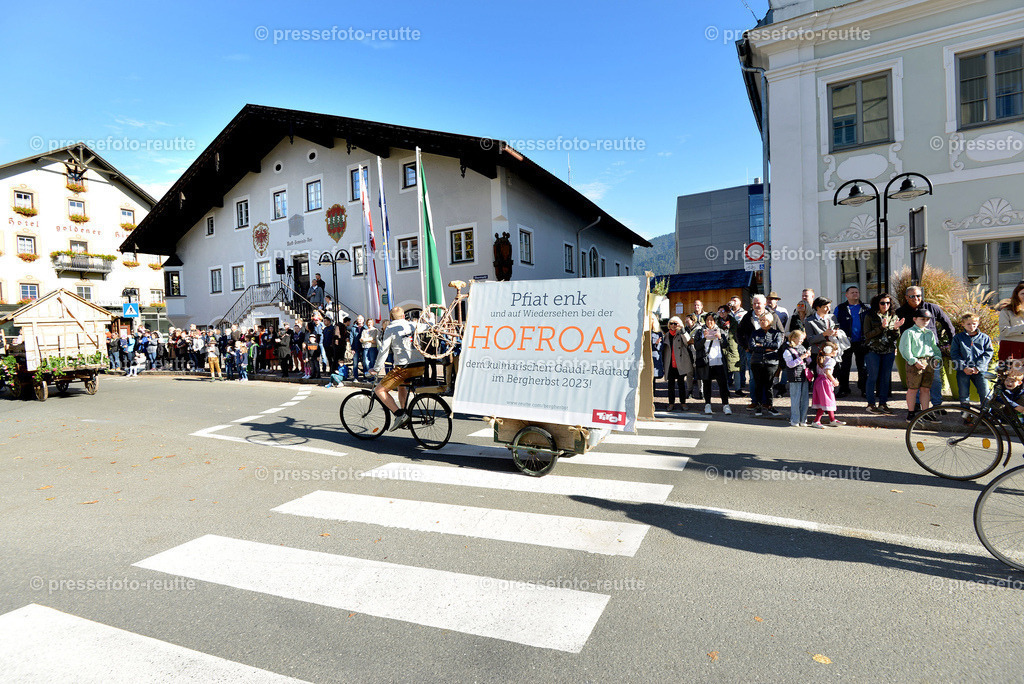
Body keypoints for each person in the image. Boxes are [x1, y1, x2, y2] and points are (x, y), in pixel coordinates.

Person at [369, 306, 428, 430]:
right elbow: (429, 326)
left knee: (379, 391)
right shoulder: (413, 324)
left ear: (391, 318)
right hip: (420, 365)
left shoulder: (390, 328)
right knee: (402, 387)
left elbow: (384, 350)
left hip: (404, 367)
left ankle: (400, 414)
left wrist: (376, 368)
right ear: (403, 316)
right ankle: (405, 412)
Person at [895, 286, 954, 411]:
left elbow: (947, 323)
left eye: (918, 296)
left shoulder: (932, 308)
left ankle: (937, 405)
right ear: (906, 297)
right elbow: (894, 330)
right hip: (913, 353)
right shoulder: (900, 311)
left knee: (936, 380)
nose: (916, 298)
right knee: (915, 383)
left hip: (931, 351)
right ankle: (916, 406)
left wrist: (952, 341)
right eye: (912, 296)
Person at [737, 294, 785, 407]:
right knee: (754, 378)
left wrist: (775, 346)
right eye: (754, 303)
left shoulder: (773, 315)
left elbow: (781, 332)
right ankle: (755, 401)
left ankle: (766, 402)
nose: (756, 306)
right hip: (753, 352)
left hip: (770, 353)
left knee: (768, 378)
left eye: (758, 303)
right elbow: (738, 333)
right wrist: (745, 346)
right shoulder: (747, 316)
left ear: (764, 304)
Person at [899, 309, 942, 423]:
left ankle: (926, 412)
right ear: (915, 319)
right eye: (922, 319)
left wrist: (937, 357)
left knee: (925, 389)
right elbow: (904, 349)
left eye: (927, 319)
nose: (925, 321)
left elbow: (934, 347)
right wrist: (913, 361)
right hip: (915, 362)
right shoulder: (909, 332)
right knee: (913, 389)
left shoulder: (929, 333)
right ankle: (911, 413)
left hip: (929, 361)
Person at [862, 293, 902, 415]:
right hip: (873, 350)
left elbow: (896, 336)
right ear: (877, 304)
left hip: (888, 350)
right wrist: (881, 327)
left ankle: (883, 404)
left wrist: (896, 329)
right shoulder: (870, 315)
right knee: (873, 377)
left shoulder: (893, 316)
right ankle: (871, 404)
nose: (885, 305)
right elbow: (867, 335)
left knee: (885, 378)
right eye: (882, 303)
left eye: (888, 303)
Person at [951, 312, 993, 417]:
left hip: (979, 370)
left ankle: (986, 415)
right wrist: (964, 367)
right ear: (963, 324)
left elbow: (988, 353)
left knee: (985, 393)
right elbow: (954, 354)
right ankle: (966, 416)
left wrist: (978, 367)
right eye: (968, 324)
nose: (972, 326)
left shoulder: (984, 338)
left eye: (974, 323)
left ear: (978, 323)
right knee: (964, 395)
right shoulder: (958, 338)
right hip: (963, 371)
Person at [693, 313, 732, 414]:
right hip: (706, 361)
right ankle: (707, 404)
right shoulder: (700, 331)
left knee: (722, 384)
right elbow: (696, 346)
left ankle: (725, 405)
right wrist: (704, 338)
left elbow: (726, 345)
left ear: (715, 321)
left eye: (711, 320)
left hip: (719, 360)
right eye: (707, 320)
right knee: (707, 384)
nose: (709, 322)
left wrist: (720, 337)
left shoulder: (720, 330)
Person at [748, 312, 784, 417]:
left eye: (765, 320)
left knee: (769, 385)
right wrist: (767, 348)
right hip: (757, 362)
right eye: (761, 320)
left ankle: (769, 405)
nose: (763, 322)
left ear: (770, 321)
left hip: (771, 362)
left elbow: (776, 345)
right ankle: (758, 406)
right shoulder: (755, 333)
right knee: (758, 384)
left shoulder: (776, 333)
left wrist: (761, 345)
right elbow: (751, 346)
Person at [835, 286, 867, 398]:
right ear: (846, 295)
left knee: (863, 366)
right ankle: (844, 389)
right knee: (844, 366)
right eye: (852, 292)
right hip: (845, 342)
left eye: (857, 292)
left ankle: (864, 389)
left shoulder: (865, 308)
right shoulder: (840, 308)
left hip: (862, 342)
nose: (855, 294)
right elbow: (835, 323)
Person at [662, 316, 694, 411]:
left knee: (681, 384)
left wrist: (682, 329)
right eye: (671, 323)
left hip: (680, 362)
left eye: (675, 323)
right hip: (670, 363)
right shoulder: (667, 335)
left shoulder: (682, 333)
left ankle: (683, 403)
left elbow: (688, 341)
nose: (673, 325)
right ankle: (671, 403)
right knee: (670, 385)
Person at [782, 330, 812, 427]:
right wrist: (801, 357)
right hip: (795, 377)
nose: (802, 341)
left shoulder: (802, 347)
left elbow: (809, 362)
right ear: (793, 338)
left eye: (803, 339)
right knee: (795, 399)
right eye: (800, 339)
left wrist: (808, 357)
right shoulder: (787, 350)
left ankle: (803, 420)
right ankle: (795, 420)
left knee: (805, 399)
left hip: (804, 376)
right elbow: (790, 364)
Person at [810, 344, 844, 428]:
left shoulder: (821, 359)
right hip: (825, 382)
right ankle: (816, 421)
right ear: (829, 351)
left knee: (826, 401)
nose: (836, 352)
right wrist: (834, 380)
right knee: (826, 401)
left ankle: (832, 419)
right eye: (835, 350)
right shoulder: (830, 360)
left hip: (818, 381)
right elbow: (827, 372)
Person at [997, 281, 1024, 367]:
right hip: (1011, 347)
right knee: (1009, 377)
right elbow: (1004, 330)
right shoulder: (1007, 311)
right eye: (1023, 293)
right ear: (1017, 295)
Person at [727, 296, 749, 396]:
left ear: (740, 302)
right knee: (730, 361)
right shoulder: (728, 312)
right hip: (730, 340)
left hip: (740, 340)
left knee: (741, 361)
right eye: (732, 300)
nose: (733, 302)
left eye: (735, 300)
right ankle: (730, 380)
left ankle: (741, 382)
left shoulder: (744, 313)